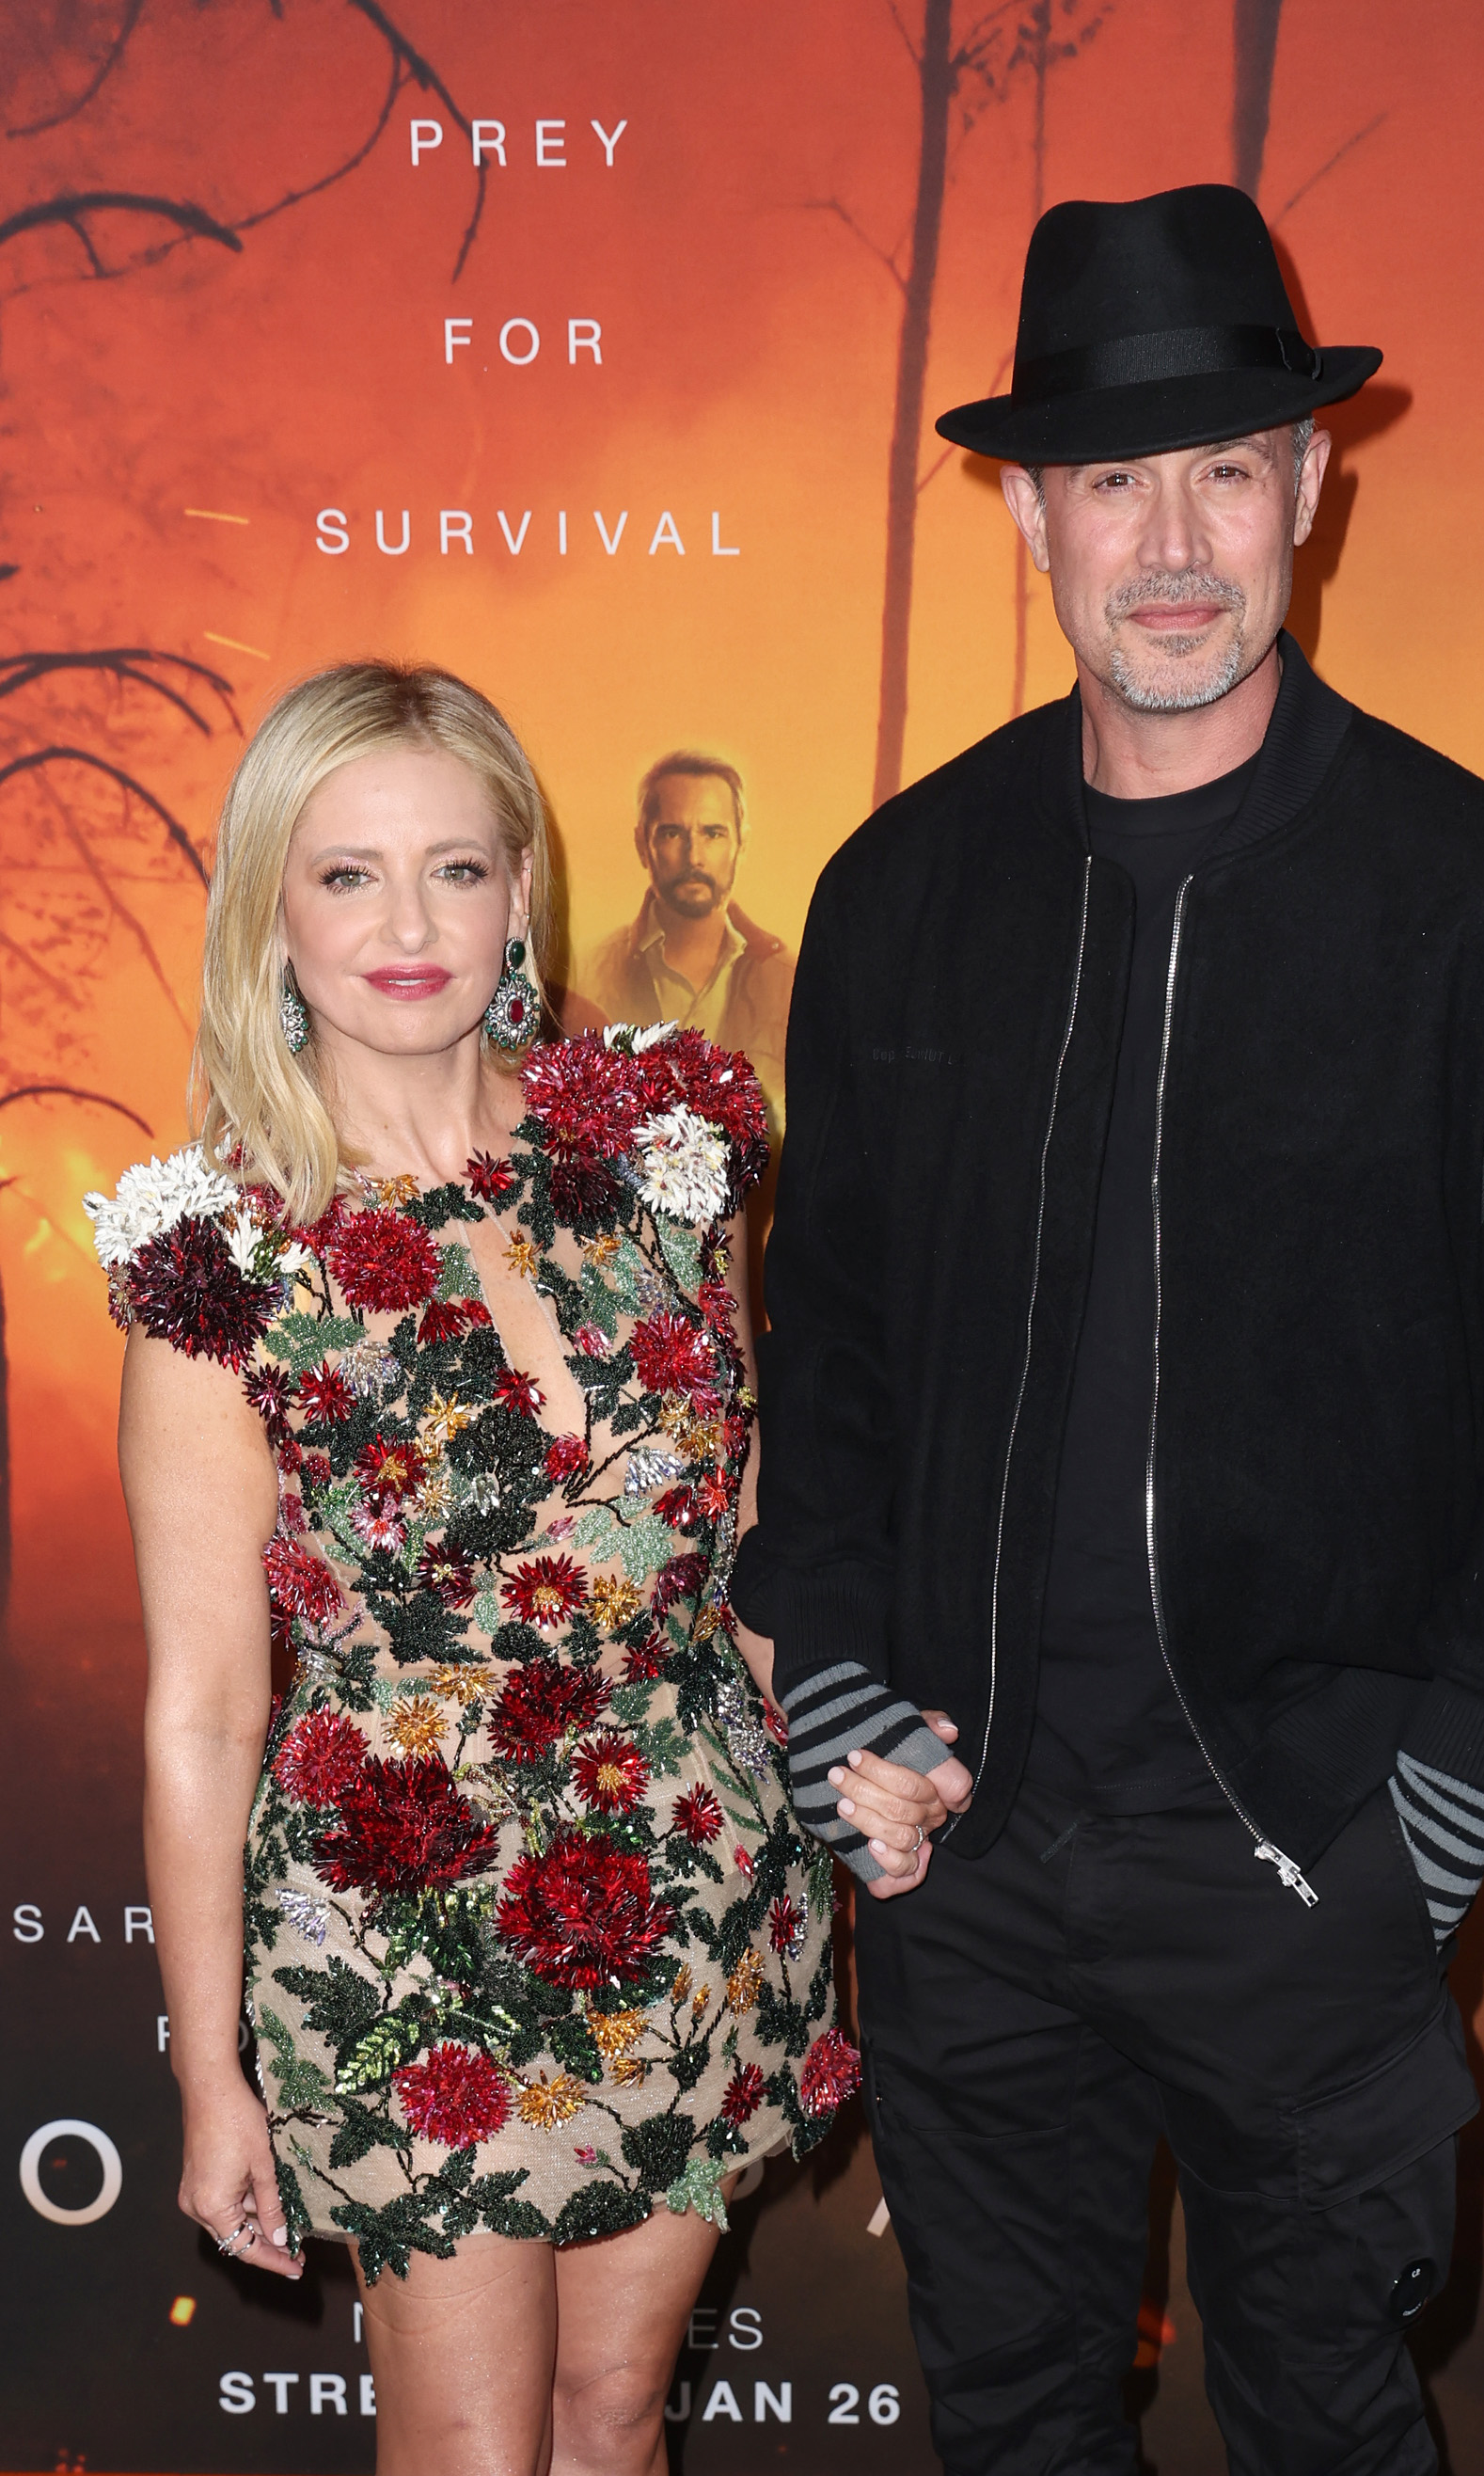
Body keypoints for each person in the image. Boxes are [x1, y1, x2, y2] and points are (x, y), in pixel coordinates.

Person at [732, 186, 1484, 2476]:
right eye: (1108, 480)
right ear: (1024, 512)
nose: (1169, 540)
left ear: (1310, 488)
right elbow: (834, 1354)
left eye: (1222, 471)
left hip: (1311, 1869)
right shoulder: (902, 895)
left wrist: (1423, 1834)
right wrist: (843, 1691)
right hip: (958, 1870)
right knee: (1015, 2435)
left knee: (1327, 2438)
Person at [90, 662, 857, 2476]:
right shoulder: (221, 1253)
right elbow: (204, 1709)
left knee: (611, 2421)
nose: (408, 924)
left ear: (523, 889)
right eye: (346, 873)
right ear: (271, 905)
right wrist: (212, 2076)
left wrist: (848, 1777)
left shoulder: (664, 1151)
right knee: (472, 2456)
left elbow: (744, 1548)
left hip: (694, 1880)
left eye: (455, 866)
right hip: (402, 1926)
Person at [582, 753, 795, 1139]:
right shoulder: (590, 973)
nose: (694, 856)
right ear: (642, 843)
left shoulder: (789, 983)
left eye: (713, 833)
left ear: (740, 844)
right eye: (672, 833)